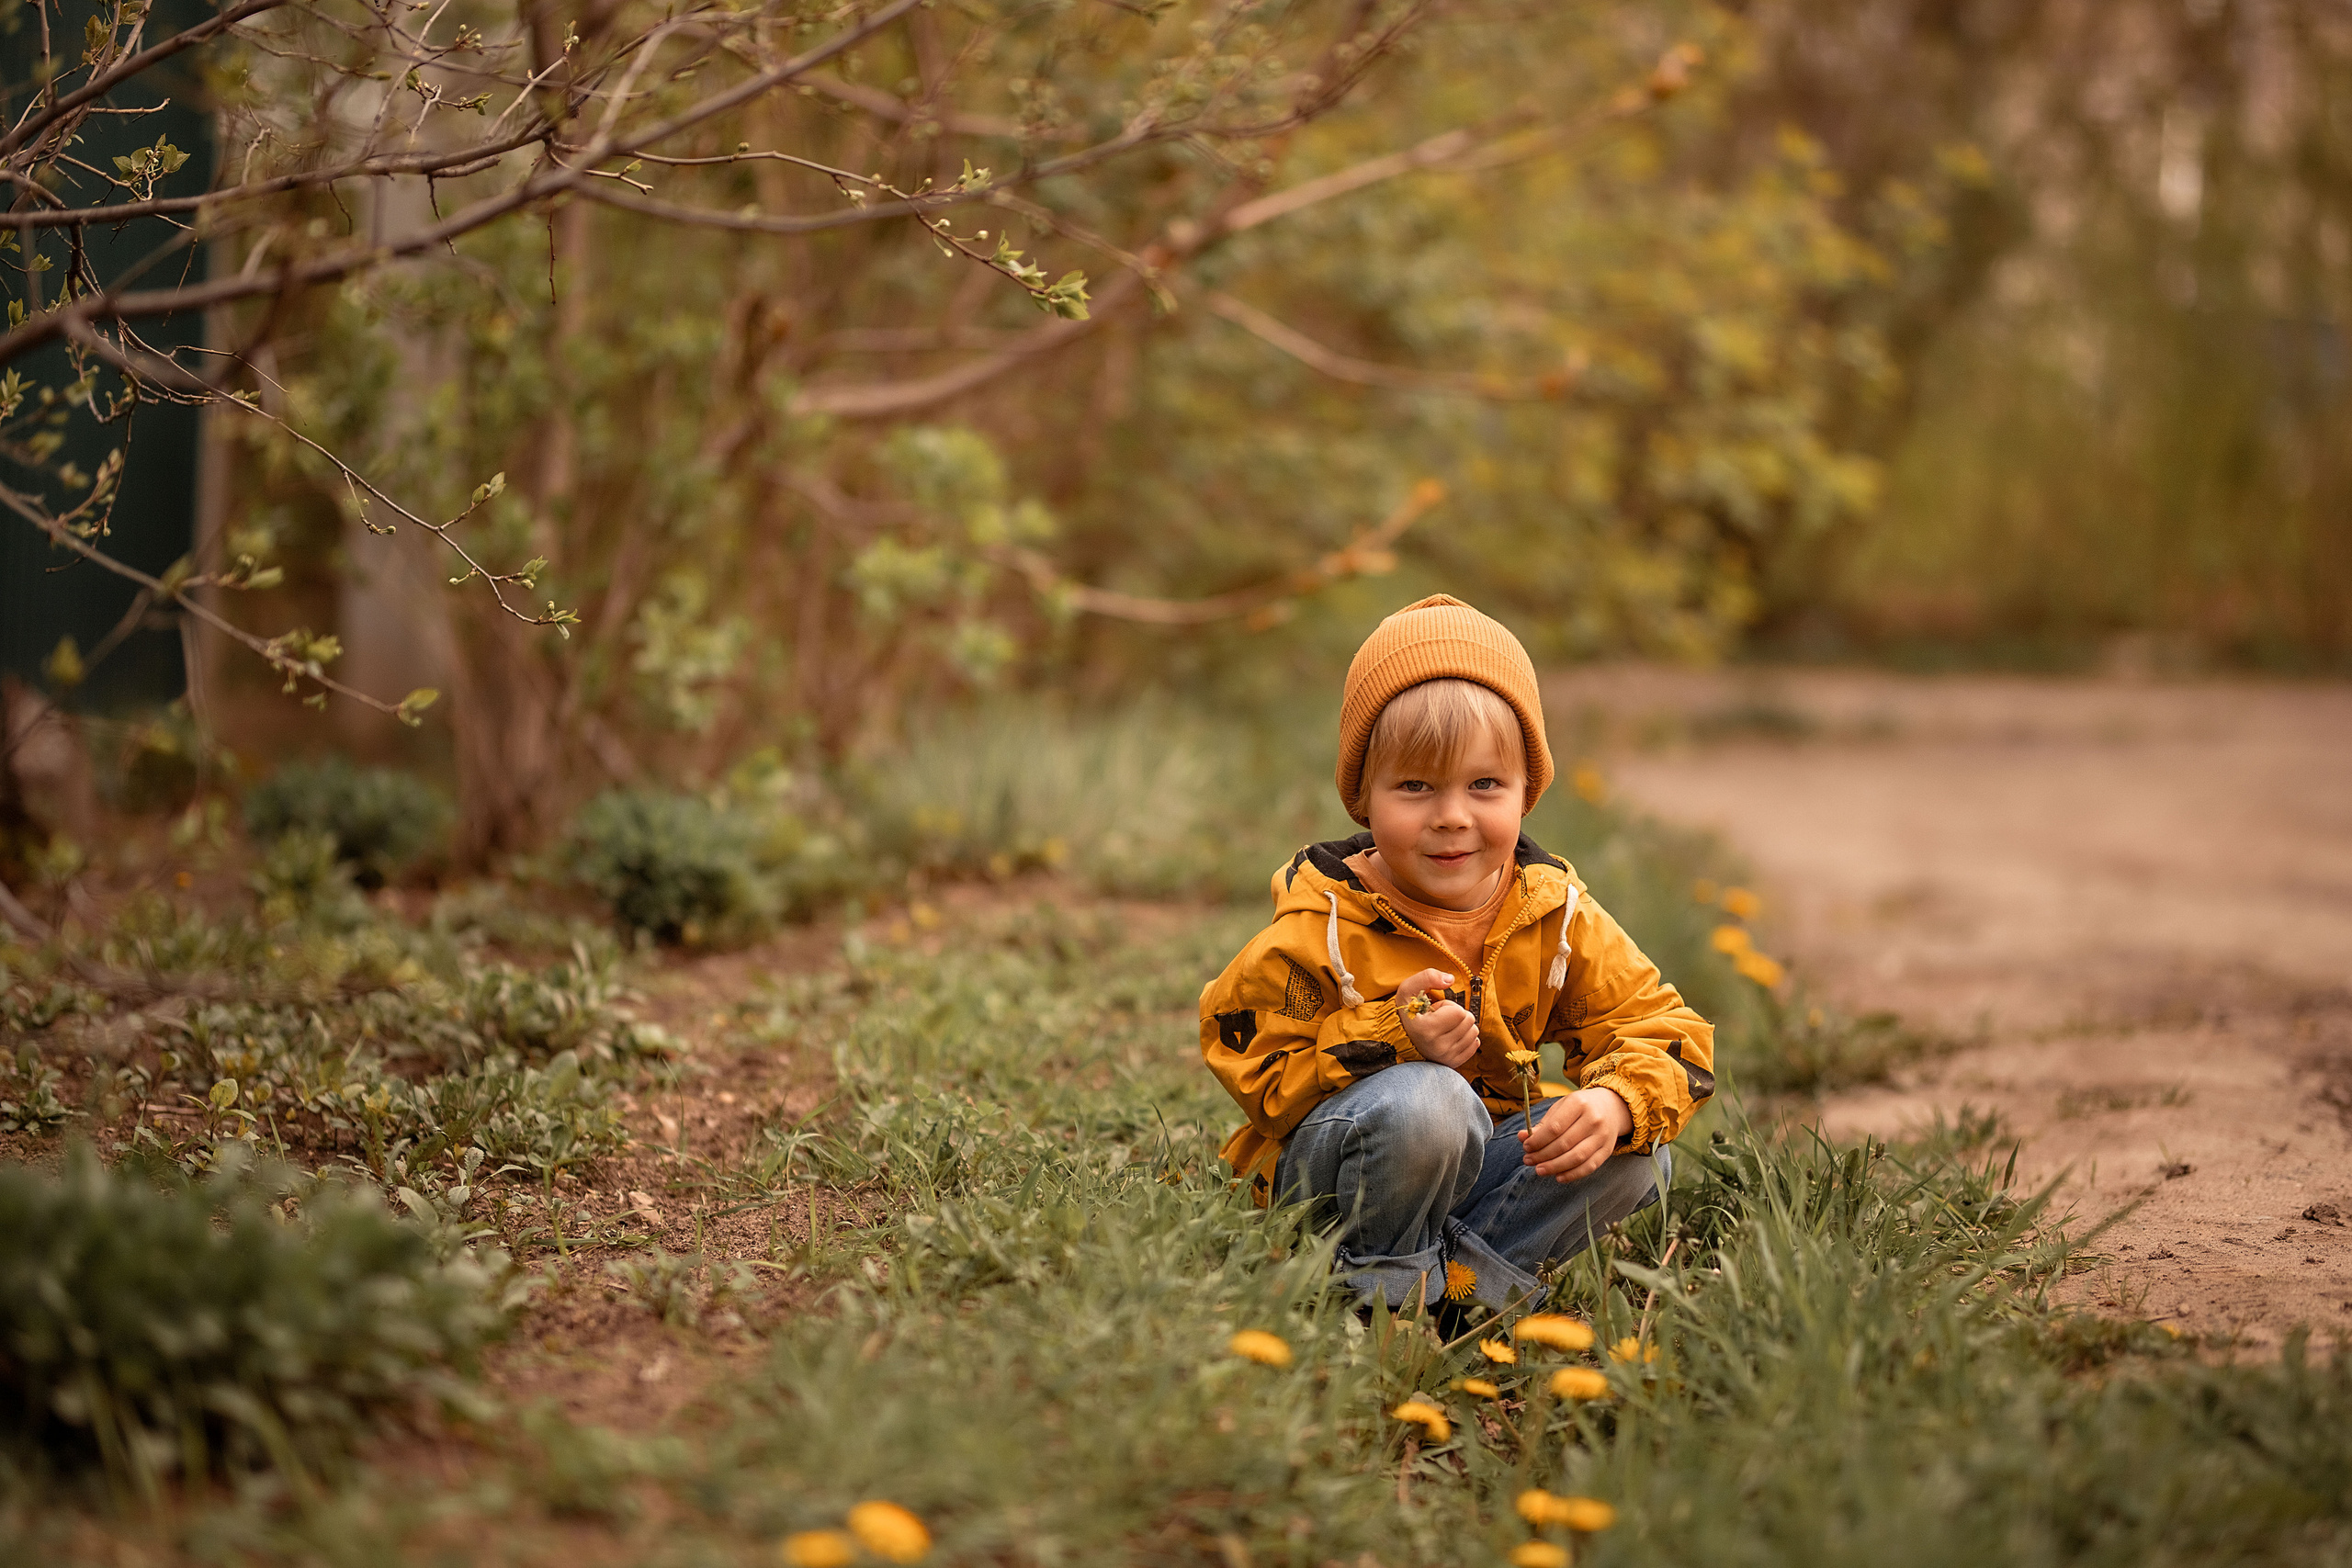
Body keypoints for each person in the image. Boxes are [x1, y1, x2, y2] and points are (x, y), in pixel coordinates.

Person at [1199, 594, 1715, 1314]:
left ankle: (1464, 1288)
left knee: (1634, 1151)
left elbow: (1667, 1032)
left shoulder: (1554, 914)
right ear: (1363, 798)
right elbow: (1252, 1062)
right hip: (1334, 1169)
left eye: (1484, 784)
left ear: (1527, 791)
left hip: (1472, 1162)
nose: (1451, 814)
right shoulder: (1326, 918)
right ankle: (1376, 1289)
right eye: (1415, 786)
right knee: (1430, 1101)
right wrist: (1389, 1038)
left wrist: (1614, 1101)